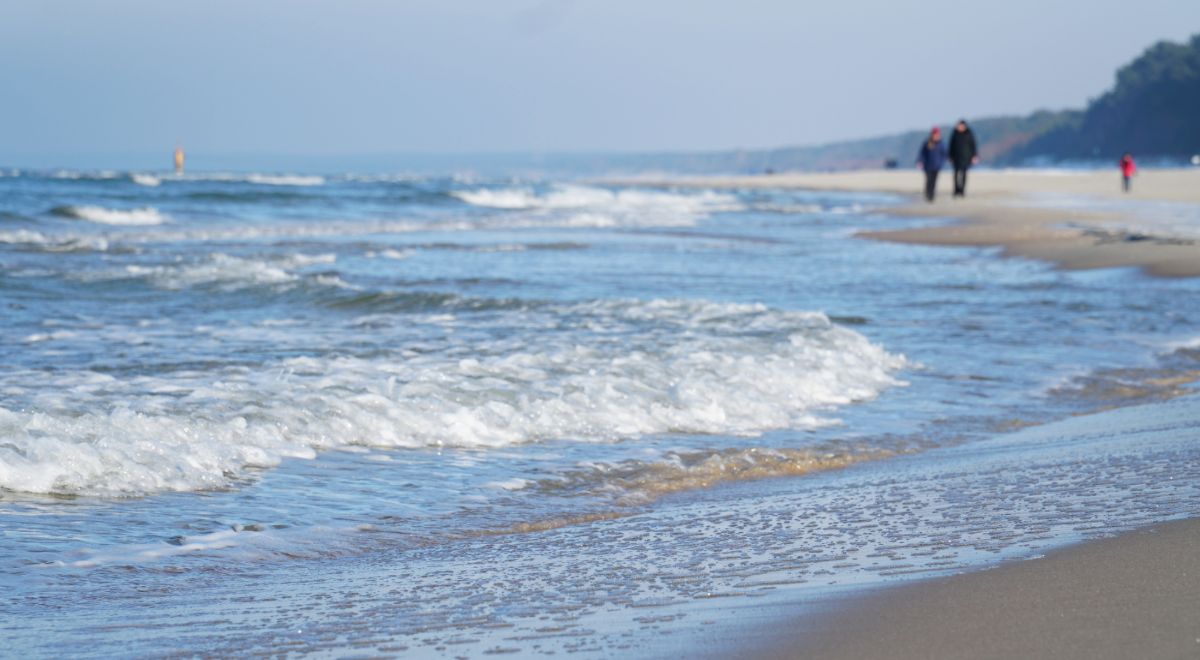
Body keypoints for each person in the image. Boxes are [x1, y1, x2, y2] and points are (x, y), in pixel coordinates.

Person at [948, 119, 979, 197]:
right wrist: (950, 156)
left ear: (964, 126)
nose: (960, 127)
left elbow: (973, 145)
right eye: (959, 125)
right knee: (955, 175)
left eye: (961, 126)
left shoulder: (969, 134)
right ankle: (956, 190)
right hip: (956, 158)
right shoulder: (954, 133)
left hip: (966, 157)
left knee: (964, 174)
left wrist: (974, 156)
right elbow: (951, 146)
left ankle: (962, 190)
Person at [916, 127, 947, 202]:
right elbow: (922, 153)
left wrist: (943, 161)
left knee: (934, 181)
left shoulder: (941, 143)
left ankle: (932, 195)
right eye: (935, 134)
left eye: (937, 134)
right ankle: (927, 194)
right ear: (932, 134)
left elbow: (944, 154)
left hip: (937, 166)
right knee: (928, 181)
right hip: (927, 165)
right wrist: (920, 161)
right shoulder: (927, 143)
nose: (936, 136)